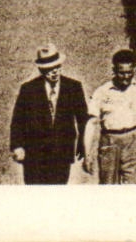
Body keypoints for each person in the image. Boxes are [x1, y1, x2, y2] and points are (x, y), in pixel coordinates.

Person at [10, 45, 90, 185]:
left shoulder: (73, 87)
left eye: (57, 67)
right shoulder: (29, 89)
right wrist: (17, 146)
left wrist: (84, 144)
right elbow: (18, 120)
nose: (54, 72)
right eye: (49, 69)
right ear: (41, 69)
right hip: (34, 154)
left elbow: (83, 119)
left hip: (62, 152)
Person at [86, 49, 136, 184]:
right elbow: (92, 123)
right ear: (114, 70)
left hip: (134, 141)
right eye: (121, 73)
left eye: (129, 73)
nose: (125, 77)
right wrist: (87, 154)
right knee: (108, 186)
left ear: (134, 70)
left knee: (133, 185)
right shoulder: (102, 92)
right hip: (110, 142)